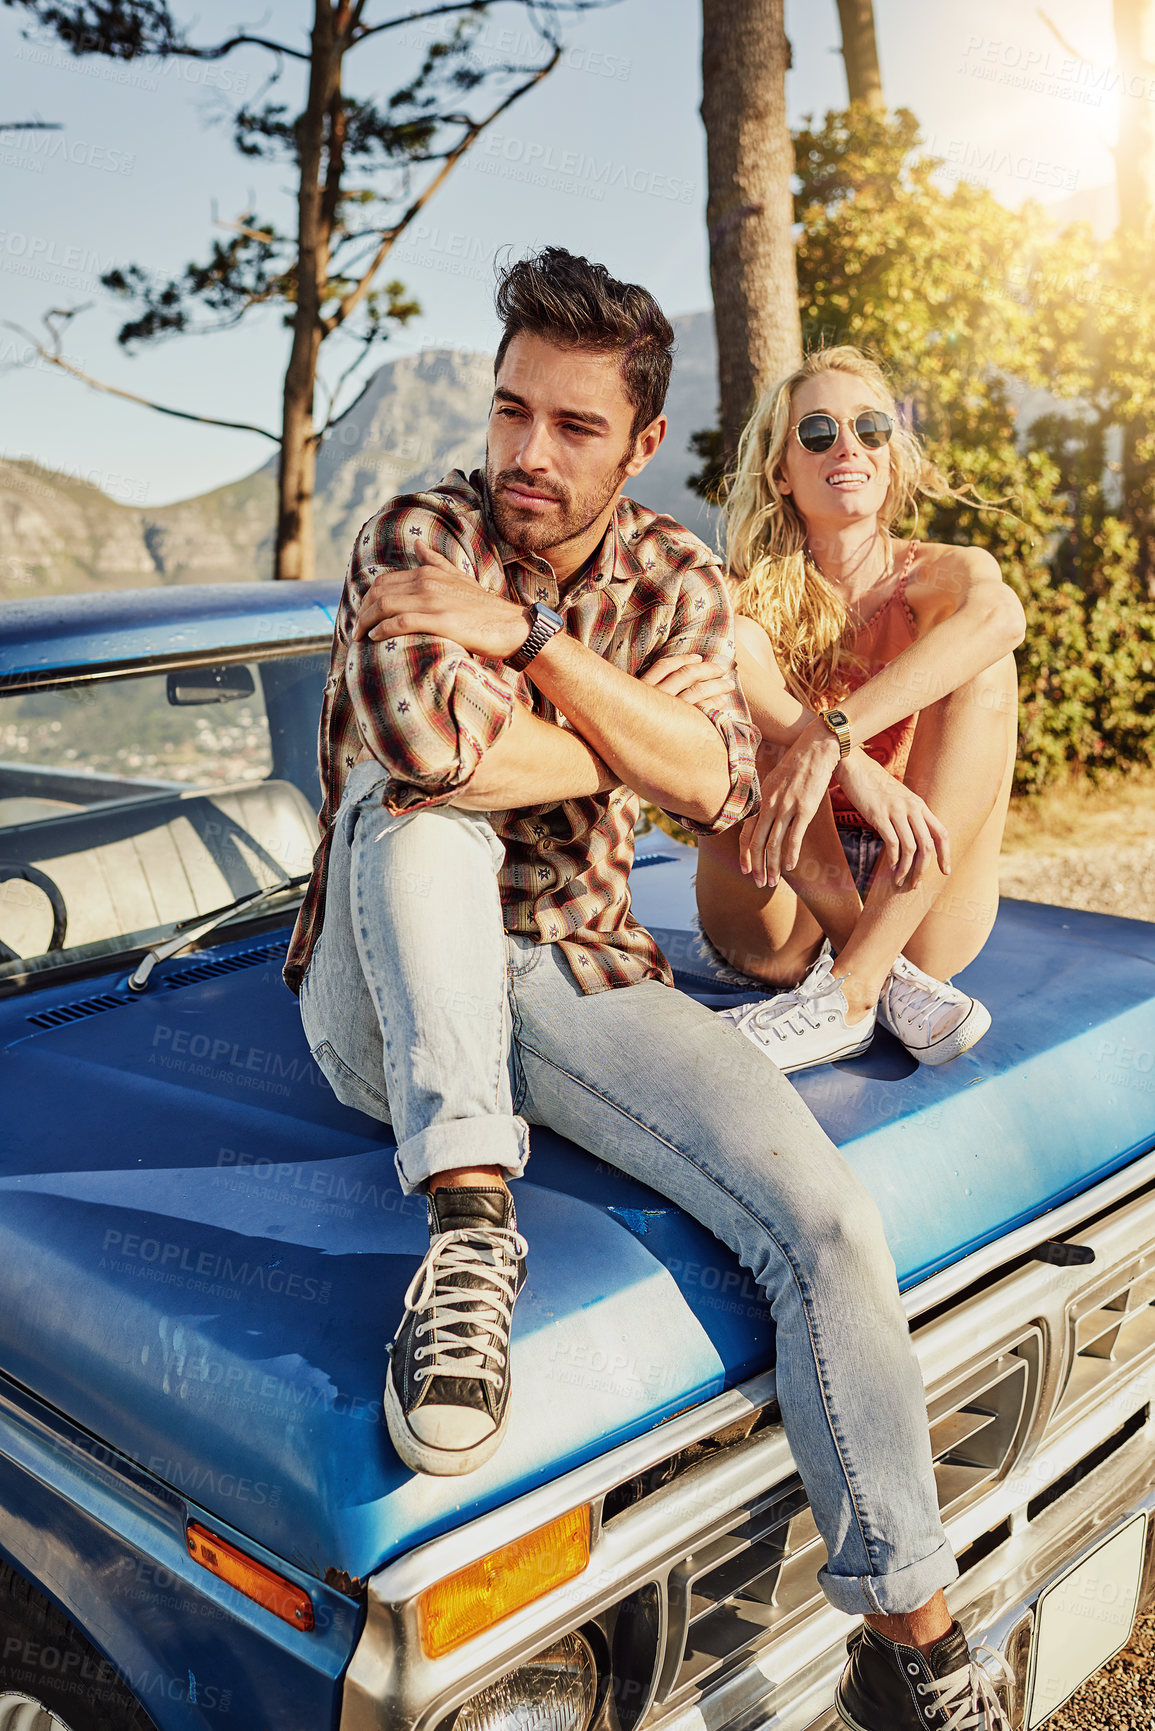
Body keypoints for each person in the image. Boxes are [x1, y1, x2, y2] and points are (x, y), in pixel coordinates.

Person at [285, 251, 1011, 1730]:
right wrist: (628, 732)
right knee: (403, 815)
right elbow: (441, 757)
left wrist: (538, 646)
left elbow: (713, 773)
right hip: (385, 985)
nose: (525, 455)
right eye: (508, 413)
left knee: (819, 1216)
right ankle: (471, 1223)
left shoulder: (675, 570)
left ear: (634, 443)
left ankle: (916, 1648)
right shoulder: (417, 532)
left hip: (581, 961)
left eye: (568, 426)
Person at [678, 347, 1025, 1073]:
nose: (848, 446)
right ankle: (867, 975)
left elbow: (1000, 618)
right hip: (782, 907)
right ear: (781, 470)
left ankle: (855, 983)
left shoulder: (939, 573)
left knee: (985, 659)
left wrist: (829, 735)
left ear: (891, 456)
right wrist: (833, 751)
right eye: (816, 432)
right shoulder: (745, 601)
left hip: (917, 888)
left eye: (870, 427)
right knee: (734, 676)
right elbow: (729, 664)